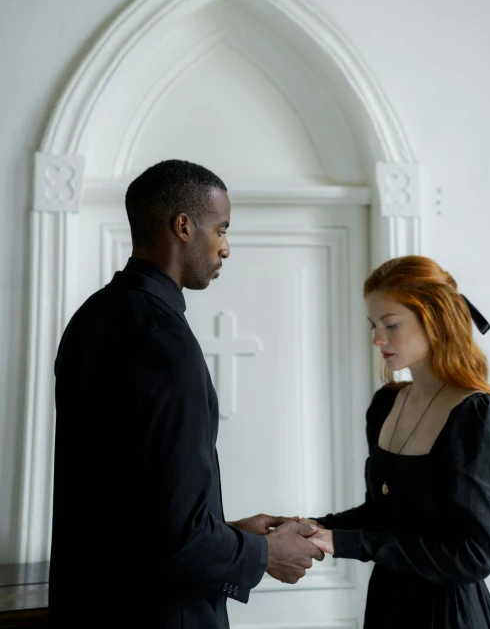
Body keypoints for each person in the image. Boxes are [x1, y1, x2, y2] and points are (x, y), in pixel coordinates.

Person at [49, 159, 324, 629]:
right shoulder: (164, 340)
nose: (226, 248)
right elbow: (178, 539)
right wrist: (264, 553)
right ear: (183, 226)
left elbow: (130, 509)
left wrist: (228, 532)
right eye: (221, 229)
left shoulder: (90, 318)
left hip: (89, 605)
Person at [302, 255, 490, 629]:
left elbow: (473, 555)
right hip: (388, 603)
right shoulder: (387, 403)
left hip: (447, 614)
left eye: (390, 324)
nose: (377, 339)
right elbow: (382, 515)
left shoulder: (481, 417)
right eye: (373, 325)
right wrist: (309, 527)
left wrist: (347, 543)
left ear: (434, 319)